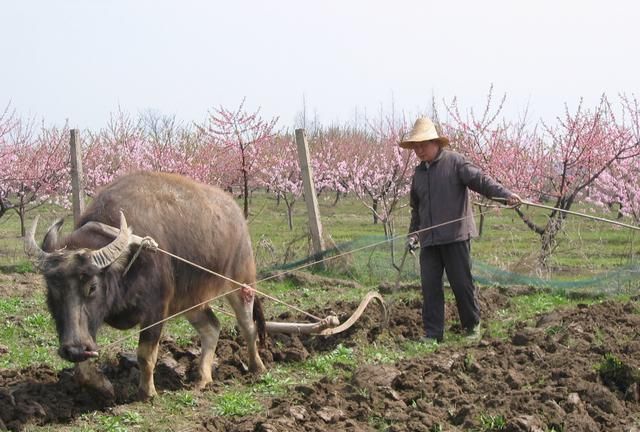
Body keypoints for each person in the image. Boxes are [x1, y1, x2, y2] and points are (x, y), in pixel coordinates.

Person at [400, 117, 520, 343]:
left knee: (461, 283)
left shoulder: (455, 163)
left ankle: (472, 326)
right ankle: (433, 333)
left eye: (423, 145)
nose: (419, 150)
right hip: (429, 240)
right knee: (430, 287)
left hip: (455, 236)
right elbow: (417, 211)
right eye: (415, 146)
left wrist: (505, 196)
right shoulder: (418, 175)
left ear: (436, 142)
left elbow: (481, 181)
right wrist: (413, 235)